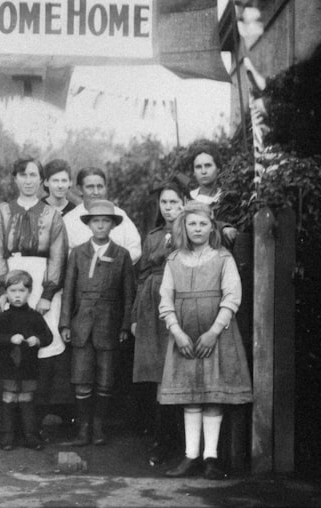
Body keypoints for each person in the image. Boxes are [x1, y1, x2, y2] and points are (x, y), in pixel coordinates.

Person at [159, 201, 251, 480]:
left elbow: (232, 296)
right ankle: (191, 456)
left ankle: (211, 457)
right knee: (191, 396)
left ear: (212, 226)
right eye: (192, 224)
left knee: (212, 395)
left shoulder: (223, 258)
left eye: (202, 223)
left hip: (216, 335)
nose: (197, 229)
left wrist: (214, 331)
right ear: (184, 227)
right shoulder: (173, 260)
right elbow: (165, 299)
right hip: (185, 336)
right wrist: (177, 332)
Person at [0, 158, 70, 434]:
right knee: (10, 341)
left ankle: (34, 419)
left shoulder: (52, 215)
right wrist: (1, 290)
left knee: (41, 344)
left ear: (41, 180)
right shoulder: (1, 212)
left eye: (34, 175)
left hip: (42, 279)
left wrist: (48, 292)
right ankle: (9, 420)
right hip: (11, 279)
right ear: (15, 178)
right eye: (23, 175)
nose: (28, 180)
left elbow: (58, 254)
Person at [60, 199, 137, 447]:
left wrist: (125, 325)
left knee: (106, 378)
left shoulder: (121, 255)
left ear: (113, 225)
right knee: (81, 376)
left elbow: (129, 294)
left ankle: (99, 427)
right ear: (89, 224)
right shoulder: (77, 253)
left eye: (105, 221)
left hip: (109, 324)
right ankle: (83, 428)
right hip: (81, 323)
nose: (100, 226)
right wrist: (65, 324)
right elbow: (68, 290)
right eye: (96, 221)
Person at [131, 182, 187, 465]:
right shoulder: (152, 236)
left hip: (180, 301)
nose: (169, 208)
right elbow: (141, 277)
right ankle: (161, 440)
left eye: (174, 202)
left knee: (179, 370)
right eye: (164, 203)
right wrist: (134, 316)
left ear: (184, 203)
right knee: (158, 374)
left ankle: (182, 441)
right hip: (152, 307)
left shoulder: (193, 231)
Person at [0, 270, 54, 451]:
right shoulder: (2, 317)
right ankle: (7, 436)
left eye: (22, 291)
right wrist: (10, 339)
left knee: (27, 401)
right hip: (8, 366)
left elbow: (48, 337)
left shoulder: (35, 316)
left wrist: (37, 340)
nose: (17, 295)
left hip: (28, 367)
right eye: (13, 291)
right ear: (6, 293)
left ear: (29, 292)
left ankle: (30, 436)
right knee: (8, 400)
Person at [63, 167, 142, 263]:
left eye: (100, 187)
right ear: (80, 189)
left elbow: (135, 248)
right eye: (90, 187)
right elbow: (64, 254)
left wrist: (114, 263)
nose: (96, 192)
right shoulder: (69, 220)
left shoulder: (119, 214)